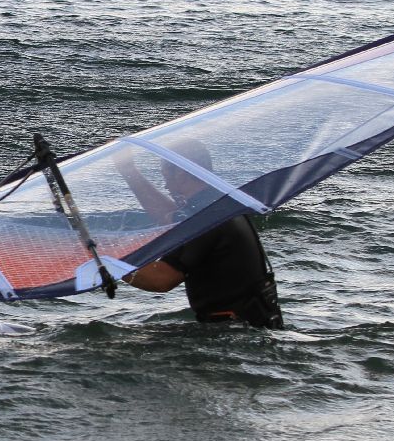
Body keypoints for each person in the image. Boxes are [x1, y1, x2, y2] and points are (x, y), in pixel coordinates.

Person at [113, 140, 283, 328]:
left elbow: (161, 280)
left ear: (181, 173)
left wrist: (108, 263)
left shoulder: (204, 219)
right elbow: (167, 217)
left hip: (234, 335)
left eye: (166, 176)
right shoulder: (218, 204)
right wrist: (129, 171)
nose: (166, 186)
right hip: (252, 325)